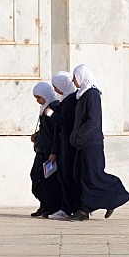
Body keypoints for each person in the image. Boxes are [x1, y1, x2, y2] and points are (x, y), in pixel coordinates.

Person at [68, 63, 129, 221]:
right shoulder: (81, 95)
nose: (73, 80)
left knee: (93, 176)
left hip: (91, 143)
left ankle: (112, 194)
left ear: (82, 77)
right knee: (80, 175)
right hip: (83, 144)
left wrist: (79, 134)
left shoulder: (92, 94)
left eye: (75, 77)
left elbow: (93, 121)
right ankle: (94, 204)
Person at [45, 71, 80, 221]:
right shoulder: (66, 99)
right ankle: (67, 207)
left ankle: (68, 208)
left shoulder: (72, 100)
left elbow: (67, 123)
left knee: (67, 177)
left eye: (56, 87)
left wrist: (52, 115)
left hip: (69, 145)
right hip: (64, 144)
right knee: (64, 177)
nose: (55, 90)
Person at [30, 81, 64, 218]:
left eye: (39, 97)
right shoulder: (45, 109)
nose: (38, 101)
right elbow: (47, 130)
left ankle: (51, 207)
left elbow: (56, 132)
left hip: (49, 151)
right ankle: (44, 205)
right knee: (36, 178)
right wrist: (37, 136)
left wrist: (53, 152)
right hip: (42, 149)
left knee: (48, 181)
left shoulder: (53, 108)